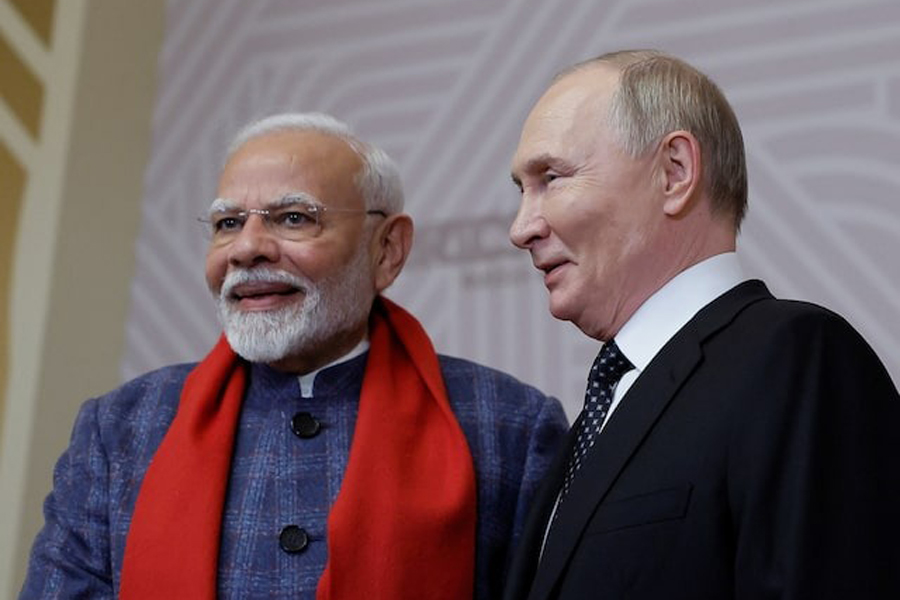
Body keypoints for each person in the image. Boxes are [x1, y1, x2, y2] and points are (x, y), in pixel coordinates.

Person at [20, 112, 568, 600]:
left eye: (293, 218)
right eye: (228, 223)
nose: (247, 247)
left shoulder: (510, 426)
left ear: (387, 250)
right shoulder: (120, 430)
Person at [503, 49, 900, 600]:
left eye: (551, 177)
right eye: (520, 190)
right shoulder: (604, 409)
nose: (521, 228)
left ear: (675, 173)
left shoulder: (797, 359)